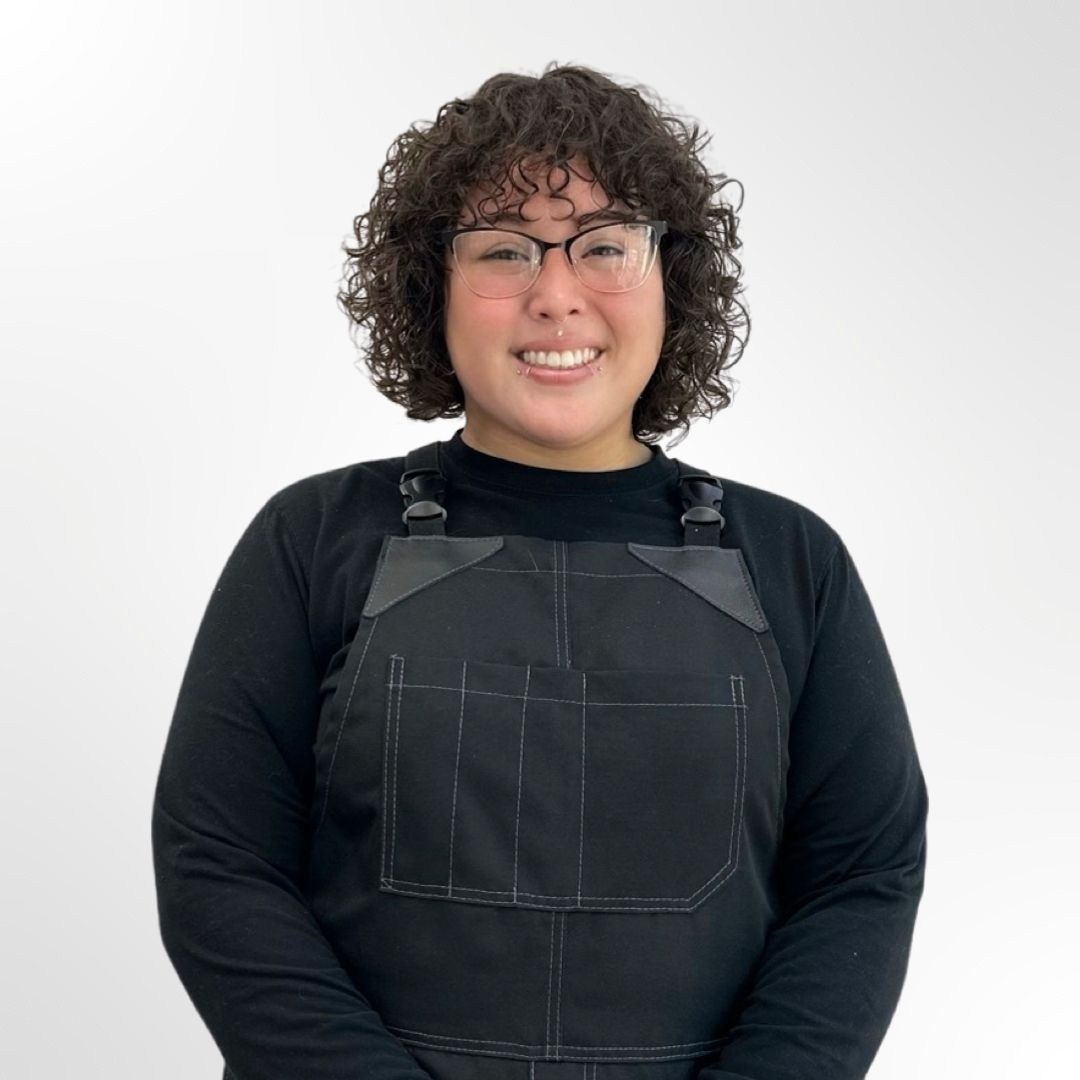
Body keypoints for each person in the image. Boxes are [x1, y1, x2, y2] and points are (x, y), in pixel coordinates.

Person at [152, 63, 928, 1080]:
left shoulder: (795, 562)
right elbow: (219, 866)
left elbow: (861, 879)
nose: (556, 297)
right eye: (504, 250)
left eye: (604, 245)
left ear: (672, 279)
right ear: (430, 289)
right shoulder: (311, 540)